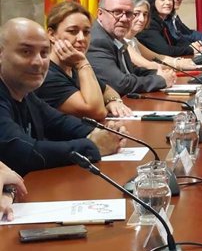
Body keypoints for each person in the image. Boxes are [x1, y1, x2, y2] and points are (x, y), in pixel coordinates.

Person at [0, 18, 125, 176]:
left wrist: (102, 133)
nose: (38, 62)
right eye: (26, 52)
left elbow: (59, 123)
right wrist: (93, 145)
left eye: (44, 53)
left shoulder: (26, 94)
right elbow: (24, 152)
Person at [36, 1, 132, 119]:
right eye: (72, 31)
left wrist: (113, 101)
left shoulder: (72, 66)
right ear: (51, 35)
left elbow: (107, 90)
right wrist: (82, 64)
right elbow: (96, 111)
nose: (82, 38)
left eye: (86, 32)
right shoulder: (47, 74)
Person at [87, 0, 173, 95]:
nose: (124, 19)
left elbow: (130, 71)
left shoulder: (115, 35)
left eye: (129, 13)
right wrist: (160, 80)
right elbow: (120, 84)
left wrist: (157, 74)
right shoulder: (97, 41)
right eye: (117, 12)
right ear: (100, 13)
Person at [125, 0, 198, 72]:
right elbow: (147, 65)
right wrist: (178, 65)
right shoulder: (122, 41)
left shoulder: (133, 40)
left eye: (145, 14)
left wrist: (178, 61)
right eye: (136, 14)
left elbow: (158, 57)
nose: (142, 19)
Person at [136, 0, 202, 57]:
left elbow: (176, 42)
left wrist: (193, 45)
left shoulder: (163, 21)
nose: (168, 2)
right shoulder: (150, 23)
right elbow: (166, 51)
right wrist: (190, 49)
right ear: (152, 2)